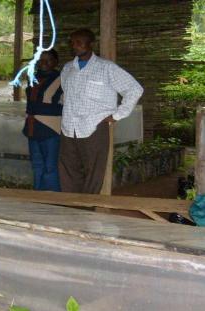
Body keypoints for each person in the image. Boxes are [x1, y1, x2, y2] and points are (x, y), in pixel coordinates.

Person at [59, 28, 143, 194]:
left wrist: (117, 115)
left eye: (79, 42)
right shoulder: (68, 69)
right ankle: (71, 207)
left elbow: (134, 89)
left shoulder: (107, 68)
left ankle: (86, 209)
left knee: (93, 171)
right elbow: (65, 94)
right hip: (68, 127)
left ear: (91, 44)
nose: (74, 46)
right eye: (72, 43)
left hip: (94, 127)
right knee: (68, 168)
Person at [23, 49, 63, 191]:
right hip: (33, 128)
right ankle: (39, 196)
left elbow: (66, 105)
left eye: (48, 60)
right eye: (40, 60)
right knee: (37, 165)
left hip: (51, 129)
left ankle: (52, 200)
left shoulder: (63, 79)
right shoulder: (33, 78)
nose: (44, 63)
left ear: (56, 62)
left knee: (50, 166)